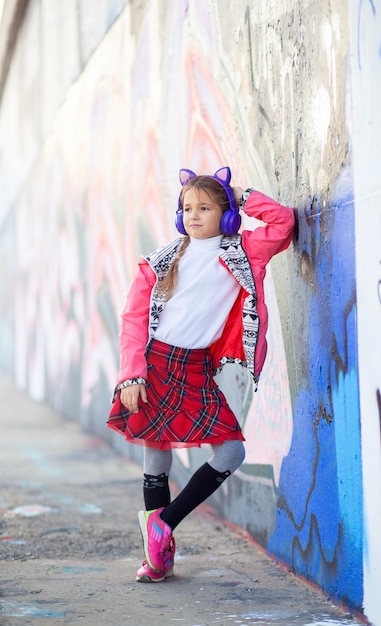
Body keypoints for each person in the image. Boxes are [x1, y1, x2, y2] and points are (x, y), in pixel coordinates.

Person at [107, 166, 295, 583]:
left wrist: (241, 195)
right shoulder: (159, 262)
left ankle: (164, 523)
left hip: (194, 369)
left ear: (226, 216)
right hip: (153, 367)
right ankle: (158, 561)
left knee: (230, 452)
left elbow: (284, 222)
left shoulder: (243, 250)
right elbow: (134, 320)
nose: (193, 215)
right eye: (187, 208)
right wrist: (130, 375)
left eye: (205, 207)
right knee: (156, 457)